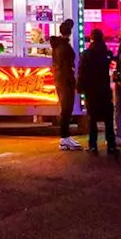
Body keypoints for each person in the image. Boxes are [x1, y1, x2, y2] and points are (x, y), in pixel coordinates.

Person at [77, 28, 117, 154]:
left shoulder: (87, 54)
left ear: (92, 38)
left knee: (92, 118)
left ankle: (93, 144)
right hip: (104, 88)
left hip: (91, 89)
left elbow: (82, 72)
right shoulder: (106, 53)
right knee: (108, 118)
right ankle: (111, 144)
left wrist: (80, 87)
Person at [50, 19, 80, 150]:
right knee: (66, 108)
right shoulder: (64, 47)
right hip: (65, 80)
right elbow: (68, 65)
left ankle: (65, 137)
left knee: (65, 108)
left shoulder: (57, 45)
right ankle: (64, 137)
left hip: (60, 79)